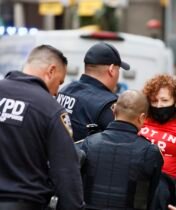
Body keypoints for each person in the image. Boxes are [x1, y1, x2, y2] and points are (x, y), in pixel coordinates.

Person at [0, 45, 84, 210]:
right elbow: (66, 172)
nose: (56, 92)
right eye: (59, 83)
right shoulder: (51, 109)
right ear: (51, 71)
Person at [81, 90, 163, 210]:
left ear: (114, 110)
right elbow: (152, 196)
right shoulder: (150, 152)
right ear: (142, 118)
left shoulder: (89, 143)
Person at [139, 74, 176, 210]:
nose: (159, 105)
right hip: (138, 178)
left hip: (165, 186)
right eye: (154, 101)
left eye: (164, 100)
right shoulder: (141, 120)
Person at [57, 42, 130, 141]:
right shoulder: (108, 104)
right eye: (118, 70)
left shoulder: (65, 90)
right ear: (111, 69)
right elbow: (120, 143)